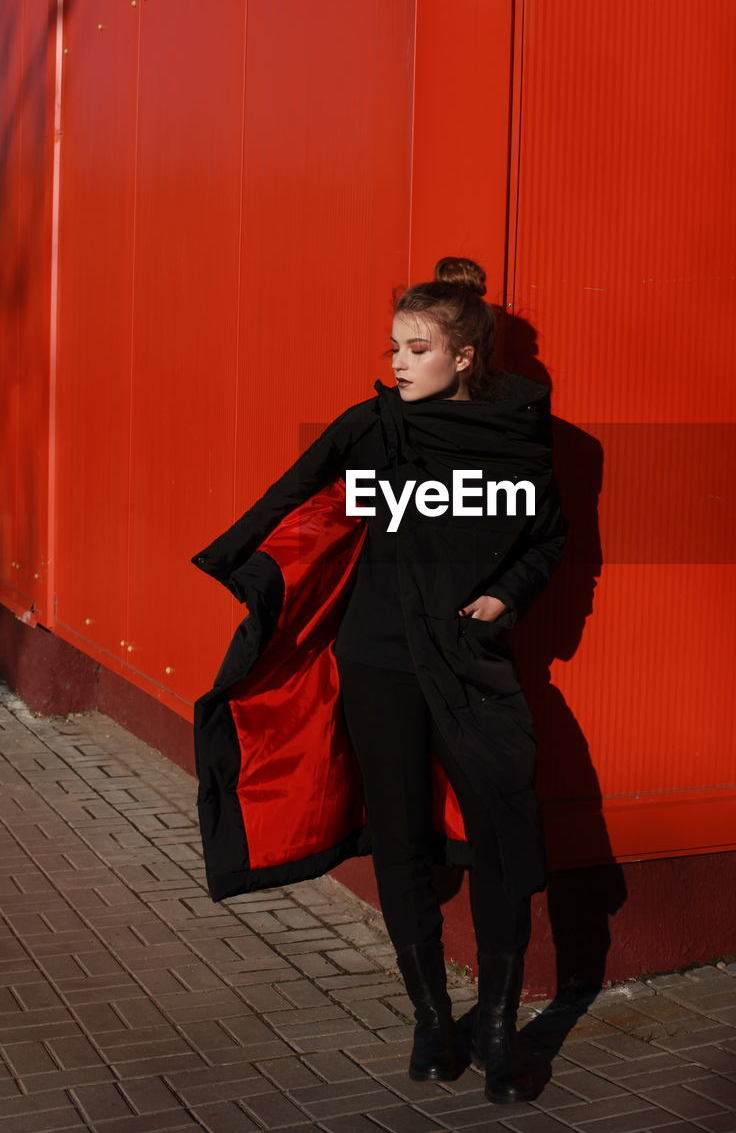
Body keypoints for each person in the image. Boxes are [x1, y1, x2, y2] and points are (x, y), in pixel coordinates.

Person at [190, 256, 567, 1105]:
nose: (397, 361)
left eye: (417, 347)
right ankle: (433, 1019)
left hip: (469, 658)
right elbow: (294, 507)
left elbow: (545, 540)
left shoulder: (521, 437)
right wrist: (265, 583)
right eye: (393, 346)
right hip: (376, 659)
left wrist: (503, 595)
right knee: (397, 837)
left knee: (504, 830)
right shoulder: (374, 427)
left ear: (465, 357)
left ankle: (501, 1029)